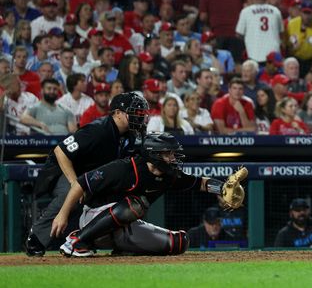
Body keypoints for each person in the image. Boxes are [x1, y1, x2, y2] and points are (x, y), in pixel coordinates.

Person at [54, 133, 247, 257]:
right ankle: (78, 240)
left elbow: (200, 183)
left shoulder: (169, 175)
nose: (173, 158)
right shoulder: (125, 168)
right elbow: (81, 183)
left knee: (179, 243)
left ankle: (125, 248)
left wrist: (222, 188)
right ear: (154, 155)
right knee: (136, 205)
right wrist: (63, 214)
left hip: (127, 226)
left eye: (173, 153)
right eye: (168, 154)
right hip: (94, 219)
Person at [24, 92, 149, 256]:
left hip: (91, 176)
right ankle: (36, 239)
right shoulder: (97, 130)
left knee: (122, 199)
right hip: (62, 170)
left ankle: (91, 241)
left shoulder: (131, 135)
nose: (138, 118)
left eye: (140, 114)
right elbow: (60, 151)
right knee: (72, 194)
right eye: (133, 113)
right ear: (117, 113)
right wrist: (74, 183)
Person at [235, 0, 282, 64]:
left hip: (254, 53)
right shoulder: (275, 11)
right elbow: (281, 33)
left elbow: (238, 34)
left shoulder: (246, 11)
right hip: (273, 53)